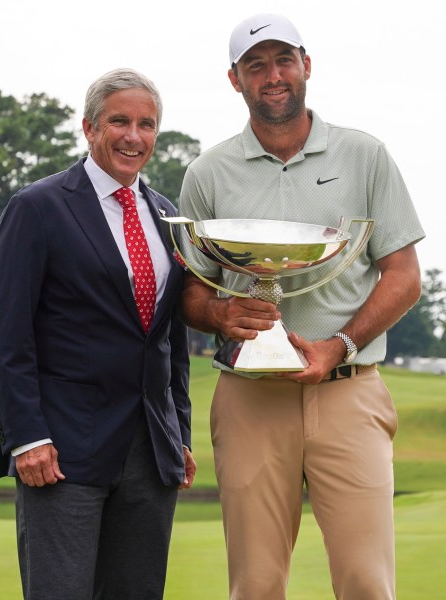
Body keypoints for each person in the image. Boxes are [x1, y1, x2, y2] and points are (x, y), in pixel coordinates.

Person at [178, 14, 424, 600]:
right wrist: (217, 315)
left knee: (367, 583)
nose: (273, 76)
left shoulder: (365, 155)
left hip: (348, 386)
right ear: (234, 79)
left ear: (306, 65)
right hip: (250, 398)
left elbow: (404, 277)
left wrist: (339, 344)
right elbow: (192, 288)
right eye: (255, 65)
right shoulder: (207, 172)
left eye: (283, 60)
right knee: (256, 586)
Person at [0, 68, 196, 600]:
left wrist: (179, 435)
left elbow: (169, 342)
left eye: (146, 125)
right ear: (89, 127)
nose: (133, 136)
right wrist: (26, 437)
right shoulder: (37, 208)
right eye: (119, 121)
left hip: (150, 454)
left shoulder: (169, 217)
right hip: (62, 454)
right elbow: (8, 337)